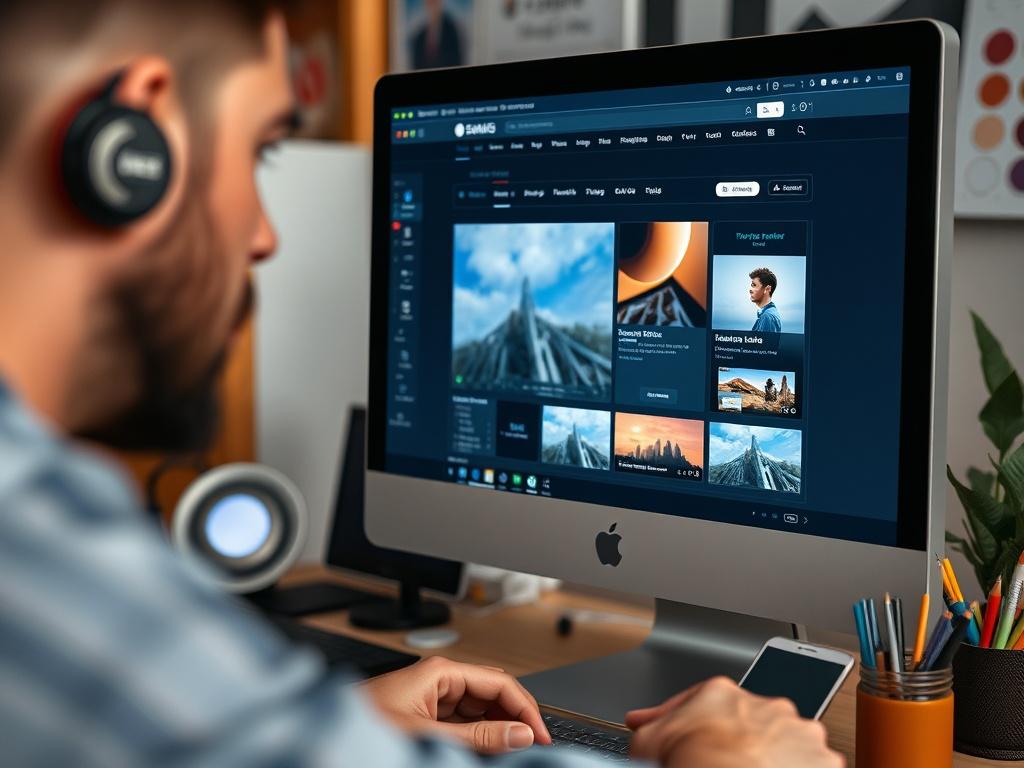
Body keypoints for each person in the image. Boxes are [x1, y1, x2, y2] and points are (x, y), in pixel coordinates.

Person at [0, 2, 842, 766]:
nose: (263, 236)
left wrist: (333, 726)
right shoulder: (36, 555)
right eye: (261, 149)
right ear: (132, 148)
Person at [749, 266, 782, 333]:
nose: (750, 290)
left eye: (754, 285)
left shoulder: (767, 317)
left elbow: (765, 343)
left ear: (767, 289)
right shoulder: (768, 314)